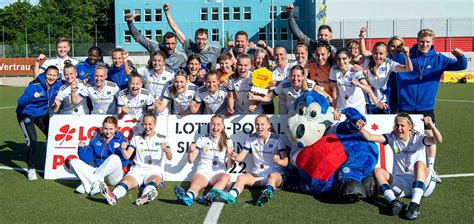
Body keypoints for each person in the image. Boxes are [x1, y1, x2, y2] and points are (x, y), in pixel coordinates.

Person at [398, 29, 466, 183]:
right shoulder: (406, 56)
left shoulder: (438, 59)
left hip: (425, 106)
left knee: (430, 137)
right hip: (405, 104)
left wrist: (460, 56)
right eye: (422, 41)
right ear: (417, 40)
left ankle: (431, 168)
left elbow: (460, 66)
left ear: (432, 42)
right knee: (402, 137)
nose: (424, 44)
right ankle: (402, 167)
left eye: (428, 42)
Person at [356, 113, 442, 220]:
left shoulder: (418, 137)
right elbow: (370, 137)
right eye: (397, 125)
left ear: (410, 127)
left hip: (424, 185)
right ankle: (394, 202)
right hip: (402, 185)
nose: (399, 128)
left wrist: (432, 126)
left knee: (419, 164)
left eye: (402, 125)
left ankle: (414, 206)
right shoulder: (392, 137)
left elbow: (438, 140)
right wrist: (360, 128)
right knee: (378, 171)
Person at [100, 114, 172, 206]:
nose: (147, 127)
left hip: (154, 170)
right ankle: (113, 196)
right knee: (125, 183)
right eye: (145, 124)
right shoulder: (136, 138)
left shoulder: (162, 138)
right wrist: (123, 149)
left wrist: (166, 150)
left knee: (152, 181)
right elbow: (127, 156)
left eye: (150, 124)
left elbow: (170, 157)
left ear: (155, 124)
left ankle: (145, 196)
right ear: (142, 124)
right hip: (137, 170)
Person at [216, 115, 288, 206]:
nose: (259, 127)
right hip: (257, 174)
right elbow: (240, 157)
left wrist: (279, 161)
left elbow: (286, 161)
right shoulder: (251, 138)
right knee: (241, 178)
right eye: (257, 124)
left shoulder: (277, 139)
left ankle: (266, 195)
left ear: (268, 125)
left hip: (275, 174)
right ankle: (231, 195)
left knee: (272, 176)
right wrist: (235, 156)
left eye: (262, 124)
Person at [174, 115, 234, 206]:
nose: (215, 127)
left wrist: (230, 156)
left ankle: (209, 197)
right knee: (196, 184)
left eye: (218, 124)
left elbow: (230, 166)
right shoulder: (202, 139)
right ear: (210, 125)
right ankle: (188, 197)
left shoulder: (228, 141)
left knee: (226, 177)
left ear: (222, 126)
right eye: (213, 124)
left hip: (218, 173)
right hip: (203, 172)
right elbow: (191, 160)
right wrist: (190, 151)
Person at [17, 65, 62, 180]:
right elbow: (20, 101)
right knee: (32, 139)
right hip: (26, 113)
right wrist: (32, 97)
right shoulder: (35, 85)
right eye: (49, 75)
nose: (51, 77)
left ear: (57, 77)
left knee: (53, 136)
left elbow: (70, 81)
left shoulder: (58, 84)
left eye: (54, 75)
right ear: (45, 74)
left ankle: (52, 163)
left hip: (41, 114)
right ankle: (31, 169)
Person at [69, 116, 129, 196]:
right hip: (97, 170)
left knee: (114, 157)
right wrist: (81, 148)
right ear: (102, 128)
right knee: (73, 162)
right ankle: (96, 183)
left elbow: (124, 163)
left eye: (111, 129)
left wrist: (122, 150)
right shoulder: (96, 140)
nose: (108, 132)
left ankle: (88, 183)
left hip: (112, 177)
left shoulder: (122, 140)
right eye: (105, 128)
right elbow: (86, 160)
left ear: (116, 129)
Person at [330, 48, 385, 120]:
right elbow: (335, 92)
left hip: (357, 108)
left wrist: (377, 102)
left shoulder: (355, 70)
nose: (341, 62)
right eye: (338, 59)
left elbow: (368, 88)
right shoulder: (334, 69)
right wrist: (335, 109)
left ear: (349, 58)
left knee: (358, 130)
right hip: (342, 108)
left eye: (344, 58)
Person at [164, 3, 222, 68]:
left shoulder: (215, 50)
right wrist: (167, 12)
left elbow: (228, 58)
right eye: (199, 39)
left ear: (207, 40)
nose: (201, 42)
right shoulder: (190, 47)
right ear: (195, 39)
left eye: (204, 39)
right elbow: (176, 30)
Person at [362, 42, 413, 114]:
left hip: (382, 102)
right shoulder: (366, 61)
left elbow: (408, 69)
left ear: (386, 54)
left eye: (381, 53)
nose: (378, 56)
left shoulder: (389, 63)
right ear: (372, 52)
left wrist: (407, 56)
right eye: (376, 53)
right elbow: (362, 53)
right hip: (366, 102)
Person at [249, 65, 317, 115]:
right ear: (289, 76)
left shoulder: (311, 85)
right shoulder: (284, 84)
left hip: (306, 116)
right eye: (293, 75)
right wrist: (254, 97)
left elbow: (322, 96)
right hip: (290, 115)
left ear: (302, 76)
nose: (295, 78)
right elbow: (269, 97)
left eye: (298, 76)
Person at [137, 51, 174, 115]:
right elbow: (129, 72)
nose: (156, 63)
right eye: (154, 60)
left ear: (164, 62)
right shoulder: (146, 70)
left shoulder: (170, 74)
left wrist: (162, 102)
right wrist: (125, 60)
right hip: (149, 108)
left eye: (159, 61)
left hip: (164, 111)